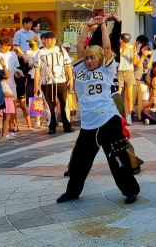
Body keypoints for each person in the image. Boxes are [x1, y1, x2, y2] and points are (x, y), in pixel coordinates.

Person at [57, 16, 140, 205]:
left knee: (117, 158)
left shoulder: (107, 69)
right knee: (79, 162)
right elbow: (79, 46)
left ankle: (130, 190)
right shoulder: (81, 69)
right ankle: (72, 192)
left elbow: (108, 47)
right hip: (88, 123)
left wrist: (103, 25)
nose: (88, 60)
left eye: (92, 57)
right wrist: (87, 25)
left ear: (100, 58)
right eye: (87, 58)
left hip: (108, 120)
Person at [34, 31, 74, 134]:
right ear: (44, 40)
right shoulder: (40, 52)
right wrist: (36, 85)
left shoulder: (61, 50)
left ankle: (67, 125)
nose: (51, 41)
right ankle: (52, 126)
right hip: (46, 82)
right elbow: (37, 69)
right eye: (48, 39)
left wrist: (70, 78)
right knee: (49, 105)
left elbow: (68, 65)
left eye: (53, 39)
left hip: (61, 81)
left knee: (65, 103)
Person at [118, 33, 136, 125]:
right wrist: (122, 51)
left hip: (129, 71)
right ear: (120, 40)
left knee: (129, 96)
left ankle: (129, 116)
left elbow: (135, 62)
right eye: (124, 41)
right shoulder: (117, 48)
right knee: (117, 95)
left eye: (127, 42)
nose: (125, 43)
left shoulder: (130, 50)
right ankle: (118, 116)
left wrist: (135, 51)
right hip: (119, 72)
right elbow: (116, 60)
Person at [133, 43, 153, 120]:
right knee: (132, 98)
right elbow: (137, 65)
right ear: (140, 49)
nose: (145, 50)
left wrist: (152, 57)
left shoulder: (147, 59)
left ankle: (140, 116)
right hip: (136, 79)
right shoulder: (137, 56)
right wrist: (143, 56)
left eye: (147, 49)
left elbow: (148, 66)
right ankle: (129, 115)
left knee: (142, 99)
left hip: (144, 81)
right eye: (144, 48)